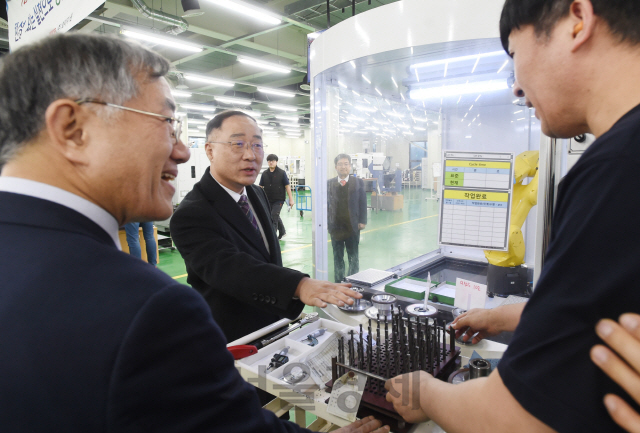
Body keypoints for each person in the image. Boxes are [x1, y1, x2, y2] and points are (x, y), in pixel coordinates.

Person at [0, 33, 389, 433]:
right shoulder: (146, 306)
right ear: (73, 129)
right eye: (167, 124)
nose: (180, 151)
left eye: (256, 145)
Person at [385, 1, 640, 432]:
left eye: (514, 54)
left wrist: (424, 392)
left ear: (578, 20)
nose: (517, 89)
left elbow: (512, 420)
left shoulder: (618, 168)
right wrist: (505, 316)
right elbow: (608, 315)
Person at [170, 111, 362, 344]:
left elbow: (267, 257)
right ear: (210, 150)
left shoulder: (255, 193)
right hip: (234, 339)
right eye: (238, 144)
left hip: (273, 325)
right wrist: (298, 285)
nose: (251, 155)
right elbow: (233, 269)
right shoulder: (192, 213)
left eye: (257, 145)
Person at [327, 154, 367, 283]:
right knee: (337, 257)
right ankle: (339, 282)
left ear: (350, 166)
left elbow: (362, 202)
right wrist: (328, 224)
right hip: (336, 226)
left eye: (346, 164)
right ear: (335, 167)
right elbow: (326, 205)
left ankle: (353, 282)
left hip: (353, 225)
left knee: (353, 256)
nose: (343, 167)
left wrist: (362, 221)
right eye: (340, 164)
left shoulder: (358, 182)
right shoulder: (329, 184)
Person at [259, 153, 294, 239]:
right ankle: (282, 232)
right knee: (274, 215)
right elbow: (260, 186)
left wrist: (291, 199)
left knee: (273, 216)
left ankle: (273, 238)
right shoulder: (264, 174)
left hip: (279, 199)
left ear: (276, 162)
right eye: (269, 161)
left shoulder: (282, 173)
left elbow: (287, 186)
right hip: (267, 199)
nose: (271, 162)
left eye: (273, 161)